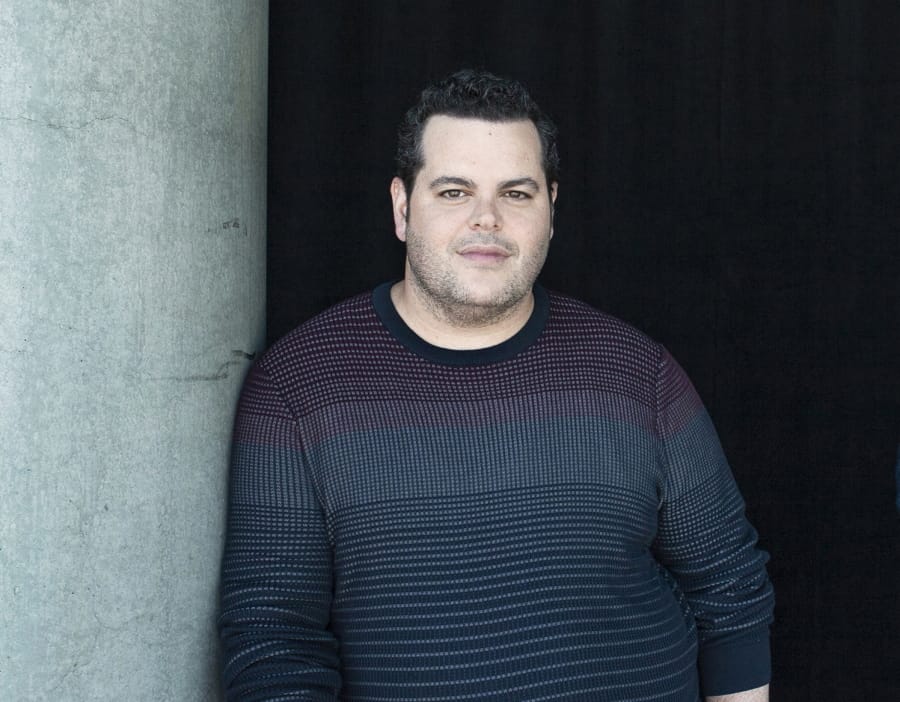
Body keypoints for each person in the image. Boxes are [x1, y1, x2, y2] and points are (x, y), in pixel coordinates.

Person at [218, 69, 774, 701]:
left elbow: (729, 588)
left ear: (551, 208)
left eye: (516, 194)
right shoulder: (297, 386)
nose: (487, 220)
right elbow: (273, 641)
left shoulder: (637, 373)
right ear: (402, 208)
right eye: (454, 192)